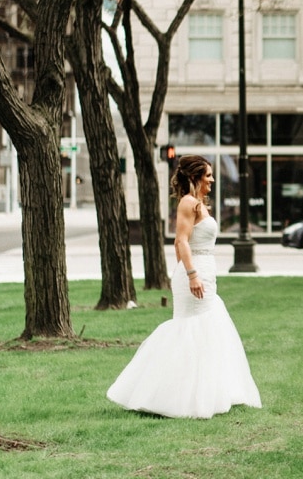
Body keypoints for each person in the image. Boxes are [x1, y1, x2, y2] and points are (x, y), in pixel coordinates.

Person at [108, 155, 261, 419]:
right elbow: (181, 242)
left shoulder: (201, 204)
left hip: (205, 272)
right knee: (192, 328)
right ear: (195, 177)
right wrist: (191, 275)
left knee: (208, 330)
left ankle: (208, 393)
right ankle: (169, 395)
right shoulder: (188, 203)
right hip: (196, 273)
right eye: (208, 175)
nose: (212, 179)